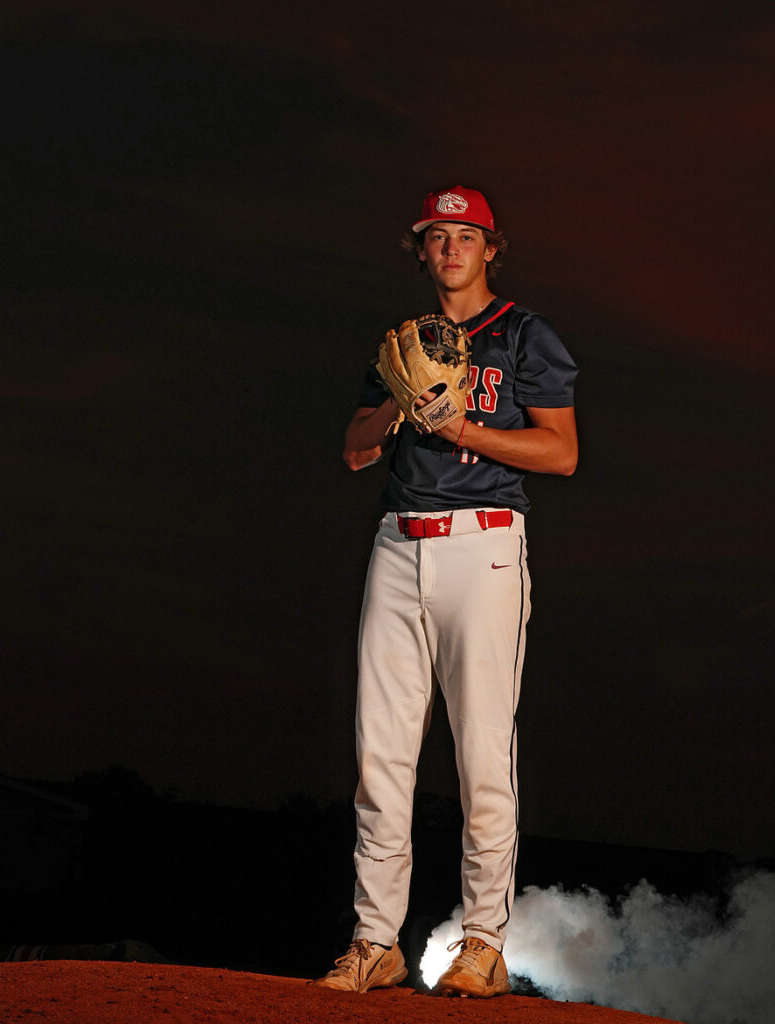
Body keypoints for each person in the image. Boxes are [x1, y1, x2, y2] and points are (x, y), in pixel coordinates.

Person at [312, 185, 578, 997]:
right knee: (379, 755)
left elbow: (560, 452)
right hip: (397, 546)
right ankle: (374, 941)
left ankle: (483, 944)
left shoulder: (523, 334)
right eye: (438, 235)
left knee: (481, 753)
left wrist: (457, 426)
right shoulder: (404, 342)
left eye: (467, 235)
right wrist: (397, 405)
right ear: (420, 250)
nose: (452, 247)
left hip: (483, 544)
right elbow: (356, 450)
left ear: (490, 249)